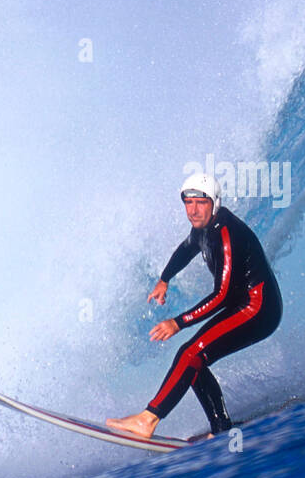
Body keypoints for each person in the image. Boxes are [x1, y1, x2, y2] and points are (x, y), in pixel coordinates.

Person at [107, 172, 283, 440]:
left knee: (190, 353)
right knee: (194, 359)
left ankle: (148, 419)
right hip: (241, 304)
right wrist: (164, 279)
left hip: (258, 309)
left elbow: (222, 296)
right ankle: (222, 429)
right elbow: (188, 248)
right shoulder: (203, 227)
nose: (193, 210)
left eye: (200, 202)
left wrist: (177, 323)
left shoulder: (227, 234)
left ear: (214, 202)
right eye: (188, 203)